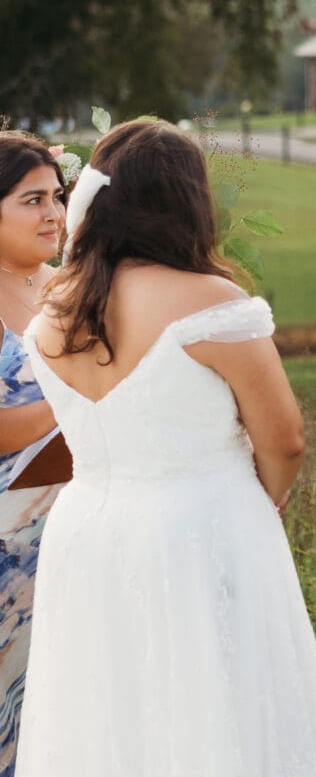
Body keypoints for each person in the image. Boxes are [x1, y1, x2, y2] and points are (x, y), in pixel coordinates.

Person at [15, 119, 316, 777]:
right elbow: (285, 438)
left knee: (110, 711)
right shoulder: (211, 302)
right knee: (216, 702)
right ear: (185, 199)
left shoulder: (54, 312)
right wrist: (265, 497)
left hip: (86, 531)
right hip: (204, 523)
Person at [0, 131, 70, 776]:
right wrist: (77, 401)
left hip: (78, 529)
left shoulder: (73, 286)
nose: (53, 213)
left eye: (57, 196)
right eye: (31, 199)